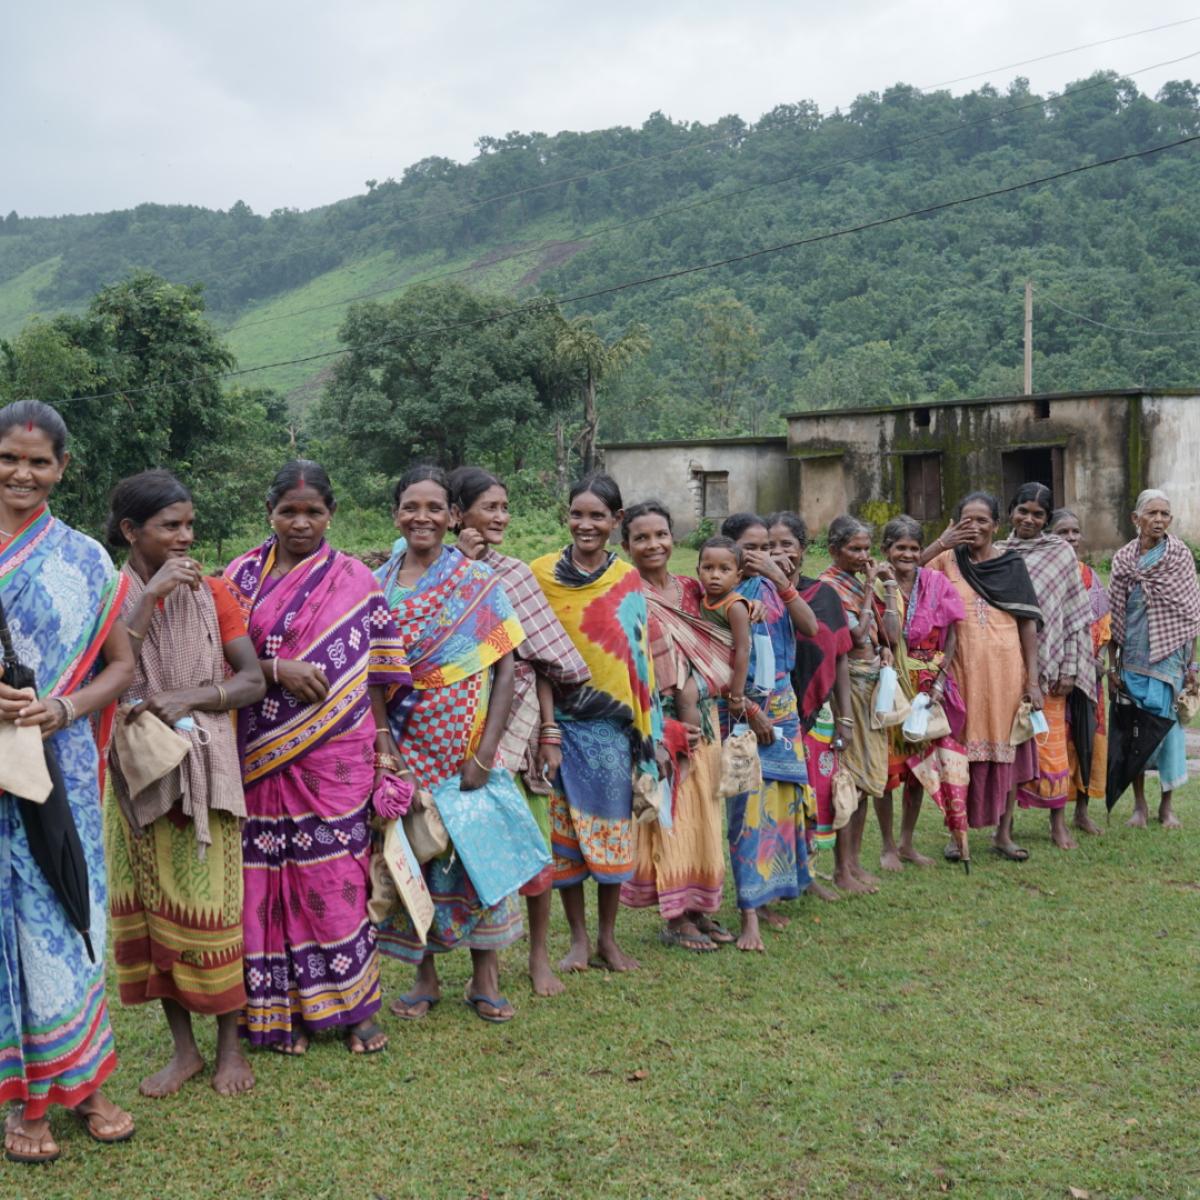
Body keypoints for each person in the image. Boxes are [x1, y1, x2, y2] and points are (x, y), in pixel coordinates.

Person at [225, 460, 410, 1055]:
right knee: (263, 883)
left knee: (335, 876)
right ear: (270, 511)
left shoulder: (356, 579)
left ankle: (355, 1010)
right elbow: (212, 658)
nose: (301, 523)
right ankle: (281, 1015)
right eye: (289, 511)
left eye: (313, 512)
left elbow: (378, 670)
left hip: (336, 756)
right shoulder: (238, 579)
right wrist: (276, 669)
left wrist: (384, 739)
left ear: (331, 514)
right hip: (255, 751)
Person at [0, 401, 136, 1164]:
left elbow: (120, 665)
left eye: (38, 462)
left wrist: (62, 706)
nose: (23, 474)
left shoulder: (84, 558)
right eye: (8, 459)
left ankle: (82, 1083)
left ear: (62, 468)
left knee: (67, 909)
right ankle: (25, 1099)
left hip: (62, 771)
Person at [105, 471, 265, 1099]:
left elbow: (250, 679)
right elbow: (106, 668)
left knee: (212, 910)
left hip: (205, 774)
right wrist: (146, 602)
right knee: (151, 912)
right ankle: (183, 1052)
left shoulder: (215, 592)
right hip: (136, 773)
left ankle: (230, 1048)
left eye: (189, 524)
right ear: (130, 531)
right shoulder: (109, 594)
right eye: (170, 525)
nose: (185, 537)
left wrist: (190, 697)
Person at [376, 465, 528, 1021]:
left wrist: (486, 753)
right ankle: (425, 978)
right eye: (411, 506)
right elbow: (372, 674)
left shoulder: (477, 582)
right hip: (404, 738)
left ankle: (486, 979)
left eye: (435, 508)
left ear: (453, 516)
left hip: (465, 739)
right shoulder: (379, 584)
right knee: (414, 852)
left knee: (477, 852)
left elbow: (507, 670)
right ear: (396, 513)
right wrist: (382, 741)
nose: (423, 517)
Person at [531, 474, 659, 972]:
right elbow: (536, 658)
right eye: (577, 514)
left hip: (611, 730)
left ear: (616, 521)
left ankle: (608, 938)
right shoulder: (539, 574)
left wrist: (649, 733)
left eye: (597, 516)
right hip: (559, 728)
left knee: (611, 838)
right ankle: (578, 941)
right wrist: (547, 730)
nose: (586, 525)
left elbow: (638, 661)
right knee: (563, 842)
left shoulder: (626, 578)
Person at [619, 502, 733, 951]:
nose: (654, 545)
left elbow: (724, 633)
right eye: (642, 537)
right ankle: (676, 915)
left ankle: (702, 909)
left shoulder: (692, 589)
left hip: (706, 718)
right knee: (671, 819)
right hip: (657, 723)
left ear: (673, 537)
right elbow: (624, 667)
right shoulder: (625, 596)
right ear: (625, 544)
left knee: (706, 813)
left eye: (661, 534)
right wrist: (656, 730)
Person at [923, 492, 1042, 862]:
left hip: (1008, 671)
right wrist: (941, 542)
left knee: (1008, 749)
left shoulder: (1011, 564)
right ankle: (956, 834)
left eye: (981, 520)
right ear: (955, 523)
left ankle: (1003, 834)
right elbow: (905, 572)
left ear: (995, 525)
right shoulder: (946, 560)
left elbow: (1028, 624)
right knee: (958, 752)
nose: (973, 527)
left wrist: (1033, 681)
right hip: (960, 670)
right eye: (966, 520)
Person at [720, 511, 819, 949]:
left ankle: (768, 897)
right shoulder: (723, 591)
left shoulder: (775, 588)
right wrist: (744, 707)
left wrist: (781, 581)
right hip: (742, 712)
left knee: (780, 807)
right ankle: (748, 916)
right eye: (753, 547)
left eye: (768, 547)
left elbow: (811, 627)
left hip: (783, 708)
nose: (764, 554)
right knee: (747, 810)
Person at [996, 484, 1097, 851]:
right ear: (1010, 511)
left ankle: (1058, 824)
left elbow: (1074, 617)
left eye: (1038, 515)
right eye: (1023, 510)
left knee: (1052, 747)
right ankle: (1003, 830)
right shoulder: (998, 553)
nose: (1028, 519)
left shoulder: (1060, 555)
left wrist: (1070, 667)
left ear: (1046, 519)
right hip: (1006, 666)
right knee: (1010, 749)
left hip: (1051, 669)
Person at [766, 511, 850, 903]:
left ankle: (810, 872)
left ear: (802, 549)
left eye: (786, 544)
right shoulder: (751, 597)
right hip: (770, 715)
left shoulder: (825, 596)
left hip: (816, 714)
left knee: (813, 795)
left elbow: (840, 656)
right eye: (768, 547)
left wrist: (845, 717)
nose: (777, 552)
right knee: (779, 800)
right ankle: (781, 875)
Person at [878, 515, 968, 868]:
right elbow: (883, 635)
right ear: (886, 550)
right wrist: (886, 588)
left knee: (921, 768)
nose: (908, 554)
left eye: (915, 548)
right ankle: (886, 847)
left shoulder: (935, 582)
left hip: (928, 685)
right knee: (888, 771)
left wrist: (943, 678)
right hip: (890, 685)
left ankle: (906, 843)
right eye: (900, 547)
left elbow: (953, 631)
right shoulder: (877, 584)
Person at [1108, 488, 1200, 829]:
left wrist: (1192, 667)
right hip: (1132, 661)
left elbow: (1190, 617)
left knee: (1168, 732)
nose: (1159, 519)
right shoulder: (1122, 561)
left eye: (1164, 514)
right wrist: (1114, 667)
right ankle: (1140, 807)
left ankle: (1167, 807)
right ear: (1136, 519)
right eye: (1152, 513)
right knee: (1135, 732)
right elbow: (1114, 620)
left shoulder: (1180, 557)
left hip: (1171, 663)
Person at [820, 516, 900, 892]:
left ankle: (853, 862)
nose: (863, 555)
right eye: (854, 549)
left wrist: (884, 649)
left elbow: (886, 635)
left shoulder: (857, 582)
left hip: (872, 686)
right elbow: (852, 637)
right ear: (834, 550)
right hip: (847, 689)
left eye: (867, 549)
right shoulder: (828, 586)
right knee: (848, 781)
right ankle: (841, 870)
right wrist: (870, 587)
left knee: (868, 780)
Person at [1049, 508, 1112, 835]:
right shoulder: (1042, 573)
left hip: (1088, 674)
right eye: (1063, 532)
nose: (1071, 538)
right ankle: (1055, 814)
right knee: (1056, 743)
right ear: (1049, 536)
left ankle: (1082, 812)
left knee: (1088, 738)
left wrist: (1098, 659)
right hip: (1053, 676)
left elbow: (1102, 620)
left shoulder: (1089, 575)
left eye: (1075, 531)